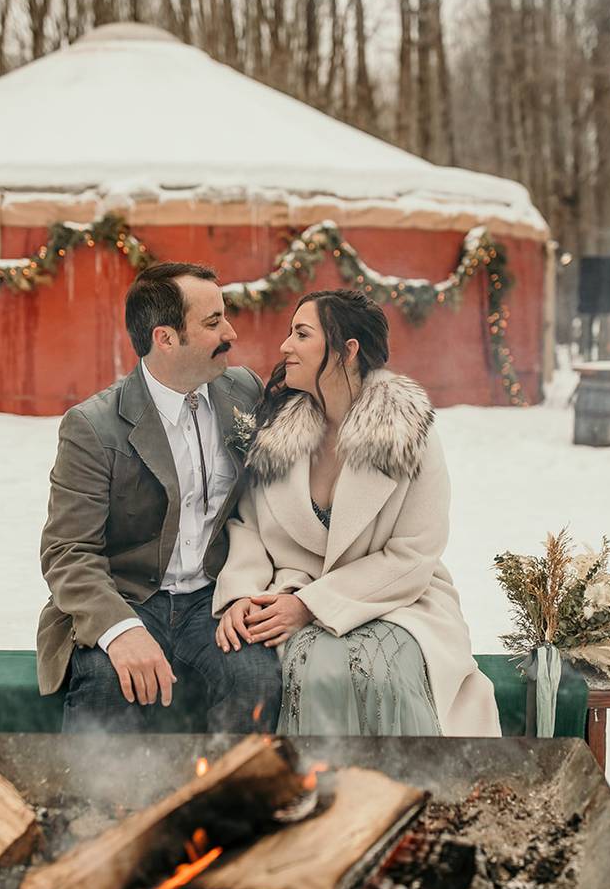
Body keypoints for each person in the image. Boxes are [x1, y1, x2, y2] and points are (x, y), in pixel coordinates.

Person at [212, 289, 500, 737]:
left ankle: (394, 796)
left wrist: (309, 606)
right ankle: (315, 796)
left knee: (376, 672)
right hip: (288, 592)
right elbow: (247, 524)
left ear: (347, 350)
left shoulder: (408, 433)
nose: (285, 346)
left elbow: (413, 555)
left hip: (397, 602)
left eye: (301, 334)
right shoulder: (276, 429)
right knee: (305, 668)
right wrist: (242, 594)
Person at [37, 261, 281, 734]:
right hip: (128, 597)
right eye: (213, 323)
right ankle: (101, 806)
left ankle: (231, 803)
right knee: (108, 683)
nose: (230, 332)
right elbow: (68, 552)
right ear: (165, 338)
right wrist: (121, 630)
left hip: (216, 598)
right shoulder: (93, 426)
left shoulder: (244, 392)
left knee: (257, 678)